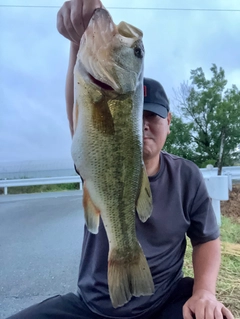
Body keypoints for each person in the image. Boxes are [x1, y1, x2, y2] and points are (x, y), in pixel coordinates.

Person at [7, 1, 234, 319]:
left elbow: (207, 239)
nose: (143, 124)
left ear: (169, 121)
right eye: (139, 114)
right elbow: (83, 117)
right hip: (92, 306)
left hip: (164, 301)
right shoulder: (95, 153)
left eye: (153, 116)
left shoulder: (187, 176)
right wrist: (78, 40)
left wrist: (205, 293)